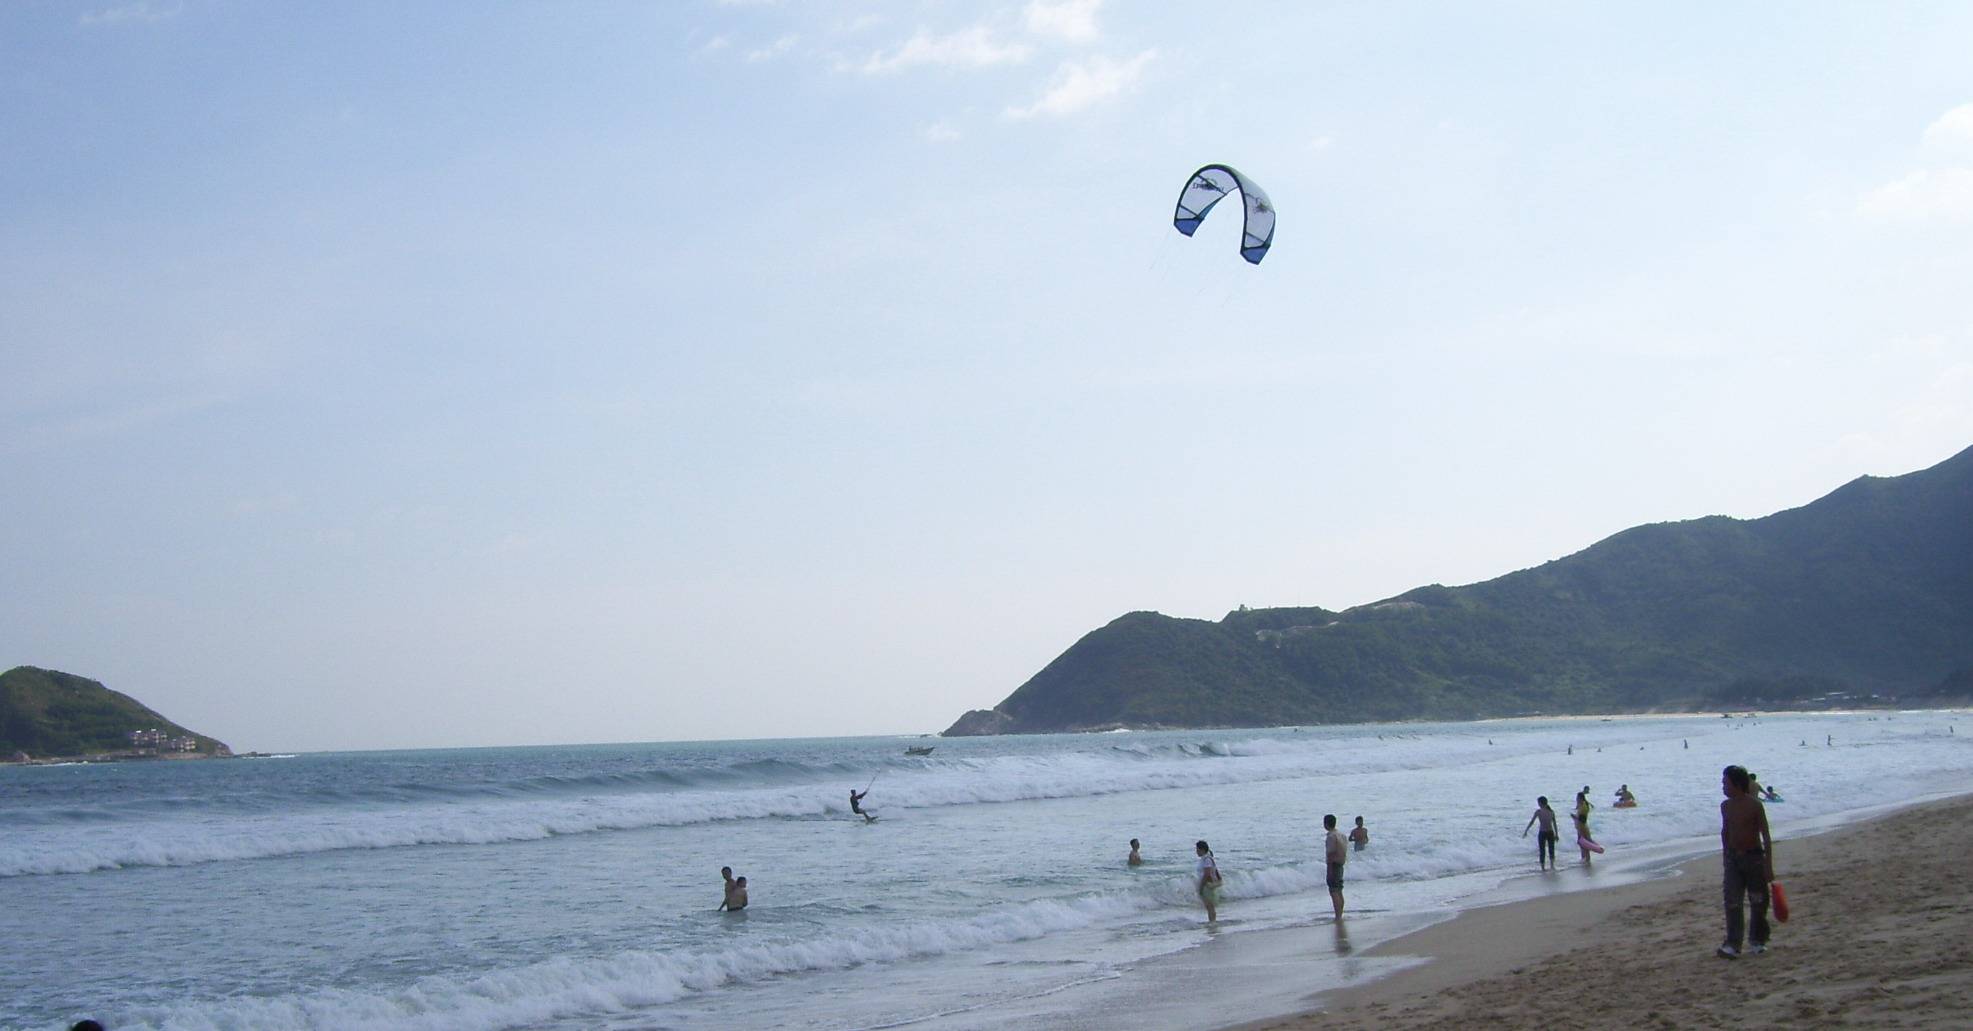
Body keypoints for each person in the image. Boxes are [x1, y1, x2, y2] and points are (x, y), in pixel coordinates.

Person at [1717, 764, 1774, 958]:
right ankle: (1733, 943)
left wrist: (1768, 864)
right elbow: (1725, 832)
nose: (1723, 787)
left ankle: (1757, 940)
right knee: (1732, 901)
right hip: (1733, 858)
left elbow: (1765, 834)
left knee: (1758, 900)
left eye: (1725, 783)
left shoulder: (1755, 805)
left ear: (1737, 784)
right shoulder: (1725, 806)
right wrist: (1726, 857)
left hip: (1754, 857)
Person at [1523, 795, 1559, 869]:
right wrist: (1556, 834)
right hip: (1550, 832)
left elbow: (1532, 822)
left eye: (1538, 803)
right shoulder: (1551, 811)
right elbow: (1555, 824)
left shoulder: (1538, 812)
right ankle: (1552, 866)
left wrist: (1526, 830)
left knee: (1542, 850)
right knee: (1551, 849)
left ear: (1540, 803)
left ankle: (1543, 868)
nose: (1538, 804)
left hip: (1542, 833)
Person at [1323, 814, 1348, 919]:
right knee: (1339, 890)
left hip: (1334, 864)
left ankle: (1338, 915)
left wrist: (1329, 870)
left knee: (1334, 891)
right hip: (1341, 863)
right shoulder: (1341, 835)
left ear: (1326, 824)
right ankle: (1340, 914)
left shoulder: (1331, 836)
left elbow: (1330, 854)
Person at [1194, 840, 1222, 922]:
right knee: (1209, 906)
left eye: (1197, 849)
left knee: (1210, 906)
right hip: (1208, 884)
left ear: (1202, 849)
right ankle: (1212, 921)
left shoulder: (1207, 859)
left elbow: (1207, 874)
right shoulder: (1206, 859)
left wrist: (1201, 887)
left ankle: (1212, 922)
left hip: (1207, 885)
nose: (1196, 851)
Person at [1573, 790, 1596, 864]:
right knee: (1582, 843)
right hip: (1580, 827)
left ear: (1580, 798)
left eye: (1577, 798)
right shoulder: (1582, 805)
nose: (1576, 799)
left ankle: (1586, 858)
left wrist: (1574, 817)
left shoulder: (1583, 806)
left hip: (1582, 827)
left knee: (1583, 843)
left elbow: (1582, 819)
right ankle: (1585, 858)